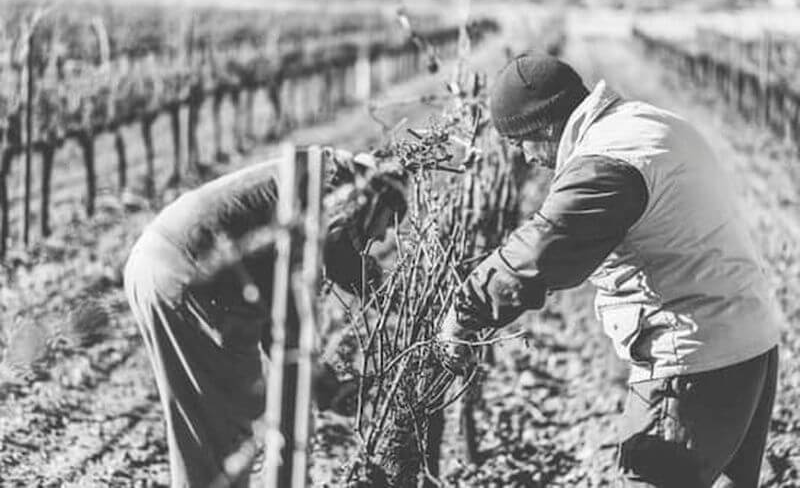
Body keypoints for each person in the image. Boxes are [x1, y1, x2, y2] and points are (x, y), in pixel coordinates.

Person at [437, 51, 783, 487]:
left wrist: (465, 311)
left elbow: (544, 250)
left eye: (519, 143)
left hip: (694, 364)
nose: (524, 159)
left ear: (543, 126)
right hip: (751, 345)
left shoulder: (607, 162)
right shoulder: (648, 123)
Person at [123, 147, 407, 487]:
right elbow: (304, 296)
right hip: (191, 276)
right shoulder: (332, 189)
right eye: (389, 221)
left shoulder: (321, 177)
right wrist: (396, 298)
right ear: (377, 197)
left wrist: (322, 384)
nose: (383, 237)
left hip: (159, 263)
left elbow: (292, 299)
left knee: (206, 428)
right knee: (221, 436)